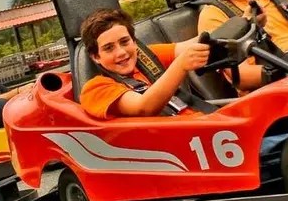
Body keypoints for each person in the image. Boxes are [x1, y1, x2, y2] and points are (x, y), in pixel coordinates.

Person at [78, 8, 210, 120]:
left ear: (134, 42)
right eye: (109, 48)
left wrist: (218, 34)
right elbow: (144, 108)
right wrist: (180, 65)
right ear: (96, 57)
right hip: (172, 137)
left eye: (124, 42)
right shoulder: (95, 89)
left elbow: (191, 46)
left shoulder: (144, 57)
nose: (121, 52)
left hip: (205, 122)